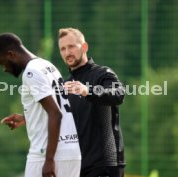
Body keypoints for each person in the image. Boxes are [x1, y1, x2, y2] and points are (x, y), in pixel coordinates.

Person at [0, 33, 81, 177]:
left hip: (46, 154)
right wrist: (27, 118)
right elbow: (56, 107)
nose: (4, 69)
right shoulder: (47, 65)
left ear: (11, 54)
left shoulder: (31, 72)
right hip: (71, 151)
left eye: (2, 63)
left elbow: (55, 114)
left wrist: (49, 160)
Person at [58, 27, 126, 177]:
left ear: (84, 47)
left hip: (105, 164)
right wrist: (26, 118)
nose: (67, 52)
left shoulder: (102, 74)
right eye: (62, 49)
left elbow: (118, 94)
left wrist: (88, 91)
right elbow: (55, 115)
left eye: (71, 47)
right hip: (77, 165)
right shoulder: (65, 84)